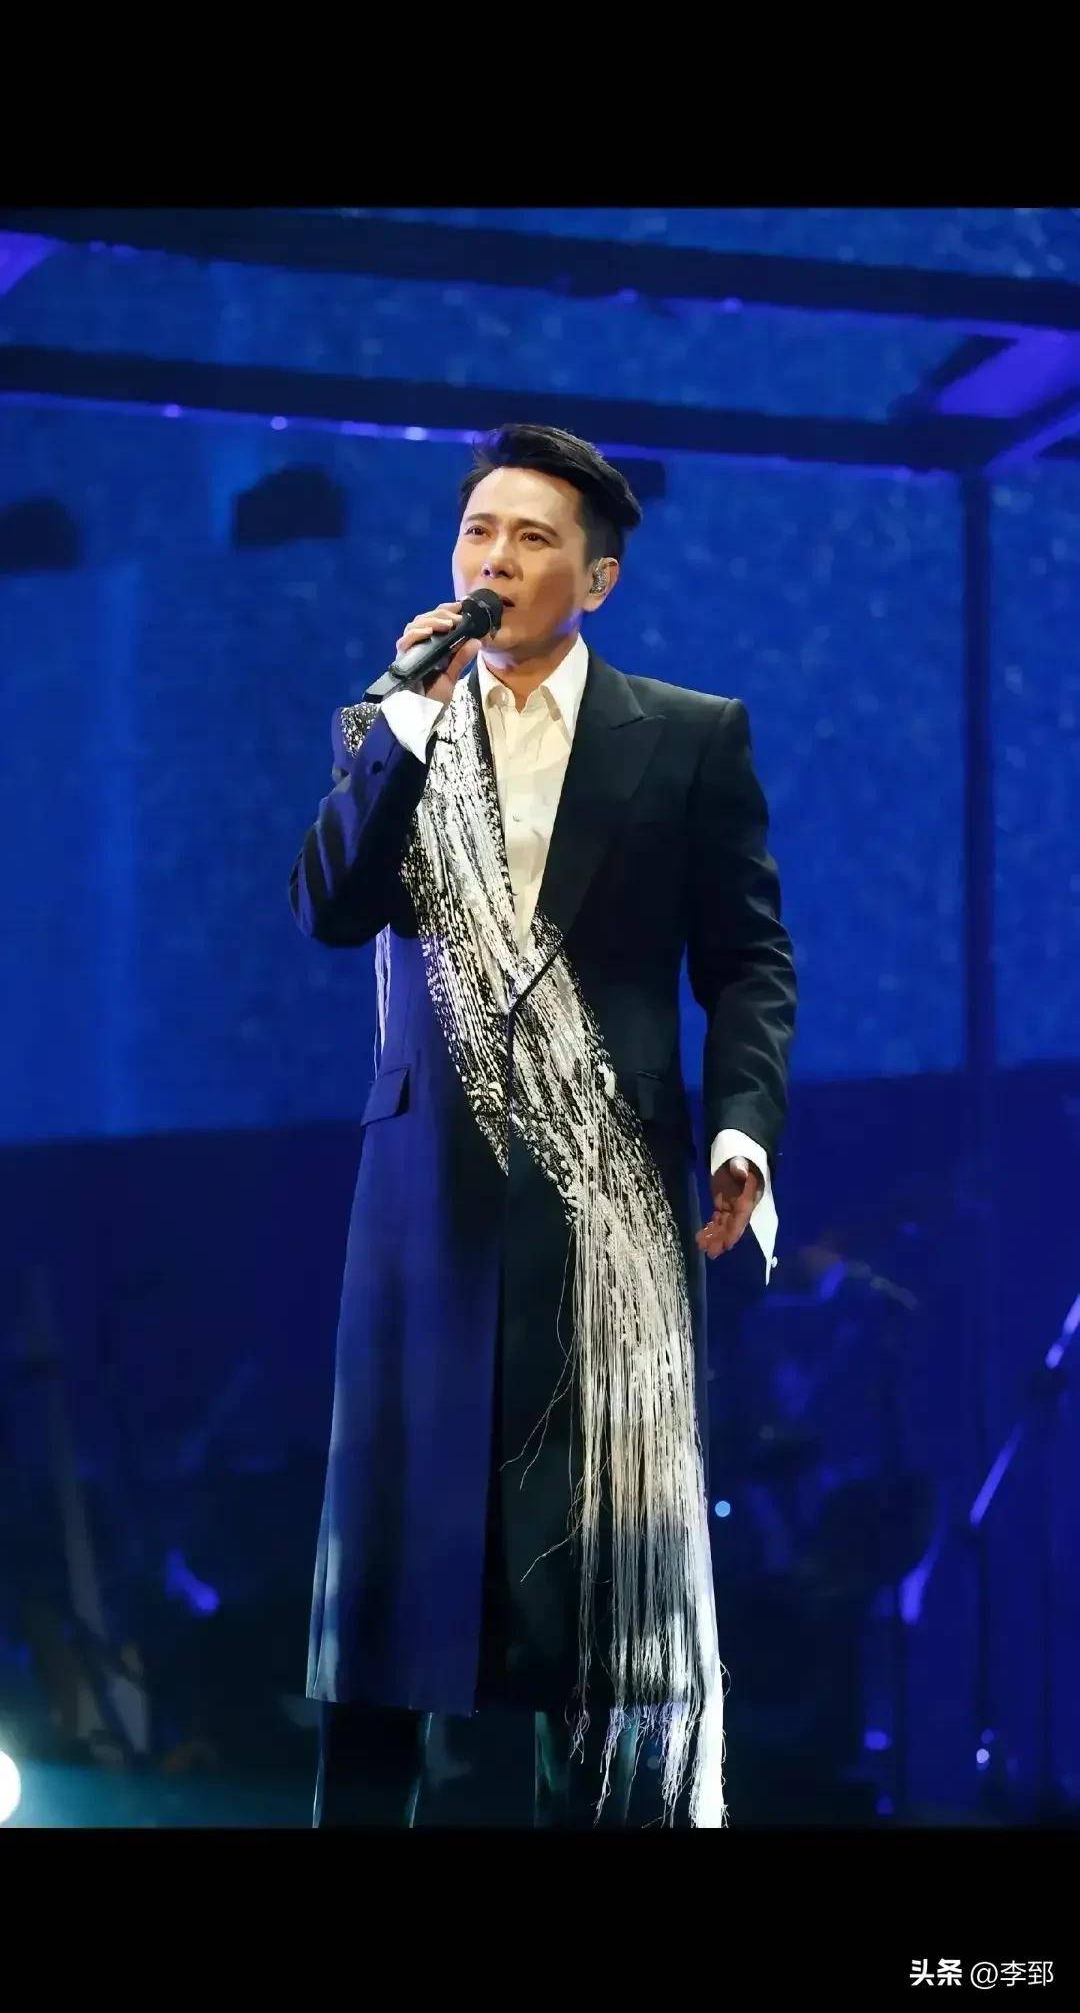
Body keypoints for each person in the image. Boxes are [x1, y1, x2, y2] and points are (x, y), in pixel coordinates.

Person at [289, 423, 797, 1828]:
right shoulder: (388, 732)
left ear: (599, 577)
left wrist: (742, 1126)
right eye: (478, 532)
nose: (496, 560)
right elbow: (328, 908)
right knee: (386, 1630)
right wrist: (406, 722)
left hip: (608, 1218)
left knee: (600, 1645)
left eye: (532, 538)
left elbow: (749, 959)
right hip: (423, 1229)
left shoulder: (687, 735)